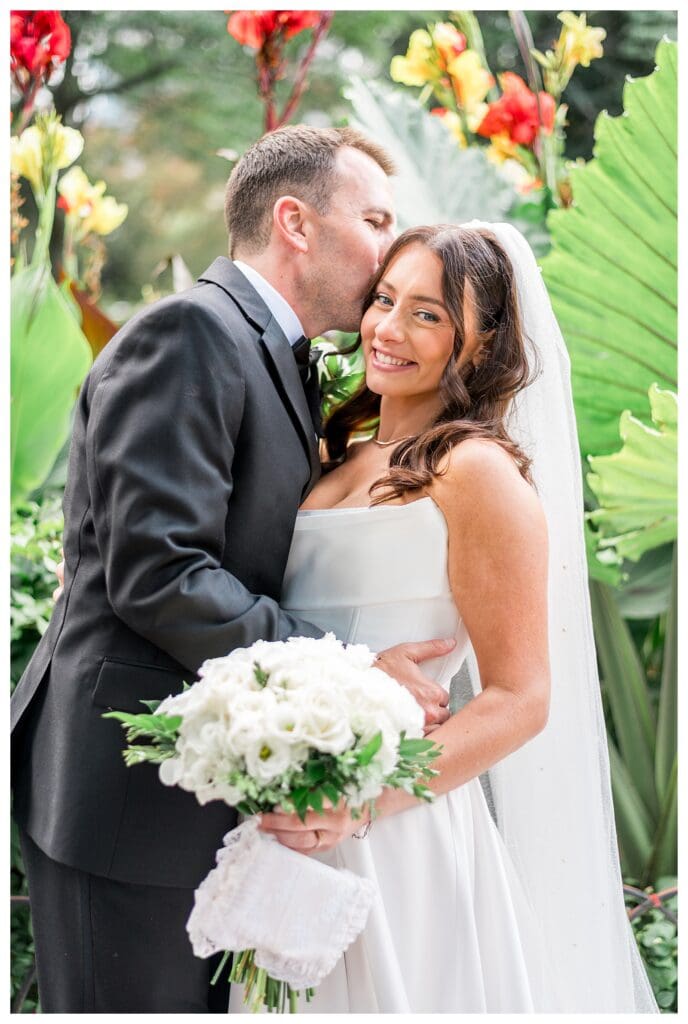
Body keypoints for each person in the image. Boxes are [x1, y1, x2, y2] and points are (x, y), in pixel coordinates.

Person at [10, 125, 456, 1014]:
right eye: (373, 219)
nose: (388, 247)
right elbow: (161, 572)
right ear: (295, 222)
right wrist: (355, 669)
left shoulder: (264, 350)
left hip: (191, 802)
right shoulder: (191, 331)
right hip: (129, 806)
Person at [254, 223, 659, 1012]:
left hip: (393, 830)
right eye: (384, 300)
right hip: (284, 815)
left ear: (482, 343)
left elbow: (520, 697)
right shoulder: (342, 452)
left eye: (428, 315)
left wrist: (360, 801)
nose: (387, 329)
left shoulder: (475, 472)